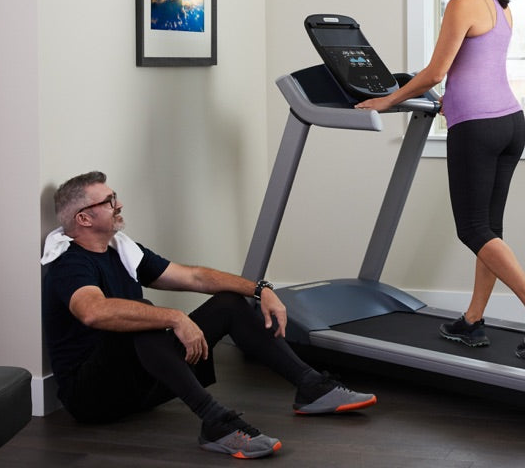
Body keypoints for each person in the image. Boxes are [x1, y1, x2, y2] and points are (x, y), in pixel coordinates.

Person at [41, 171, 376, 460]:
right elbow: (93, 311)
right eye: (109, 200)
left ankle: (311, 387)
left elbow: (195, 277)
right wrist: (174, 317)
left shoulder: (122, 251)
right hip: (93, 398)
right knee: (148, 318)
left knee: (229, 303)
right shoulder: (69, 263)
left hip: (137, 388)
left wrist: (260, 289)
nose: (119, 204)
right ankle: (215, 422)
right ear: (84, 219)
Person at [354, 0, 525, 359]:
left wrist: (387, 100)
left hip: (478, 128)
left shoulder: (462, 3)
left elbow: (436, 71)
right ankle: (472, 320)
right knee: (490, 230)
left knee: (472, 229)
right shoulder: (499, 3)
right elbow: (476, 68)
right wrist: (448, 97)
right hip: (510, 123)